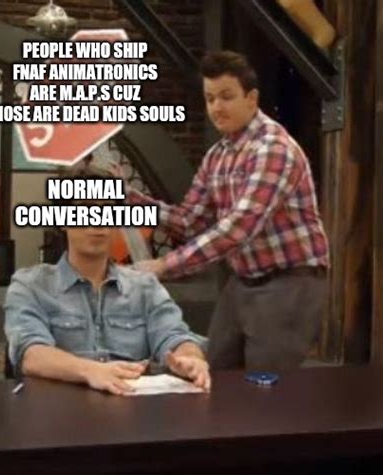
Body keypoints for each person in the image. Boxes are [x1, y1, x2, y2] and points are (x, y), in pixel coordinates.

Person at [115, 50, 330, 372]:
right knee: (214, 371)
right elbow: (189, 221)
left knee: (265, 386)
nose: (217, 107)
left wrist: (162, 265)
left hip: (289, 282)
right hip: (243, 279)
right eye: (210, 98)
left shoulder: (273, 148)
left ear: (251, 99)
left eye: (226, 97)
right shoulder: (217, 155)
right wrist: (128, 198)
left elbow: (238, 228)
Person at [4, 163, 210, 396]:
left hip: (131, 408)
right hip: (59, 409)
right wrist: (91, 371)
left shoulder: (145, 286)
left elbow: (174, 335)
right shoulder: (31, 285)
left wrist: (189, 357)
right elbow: (30, 354)